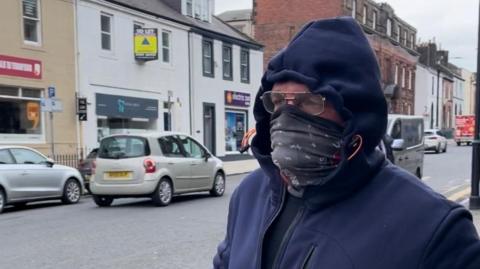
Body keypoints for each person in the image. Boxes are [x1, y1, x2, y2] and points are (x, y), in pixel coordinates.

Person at [213, 17, 480, 269]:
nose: (286, 117)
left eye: (309, 102)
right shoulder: (249, 193)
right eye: (279, 101)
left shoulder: (435, 228)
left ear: (356, 113)